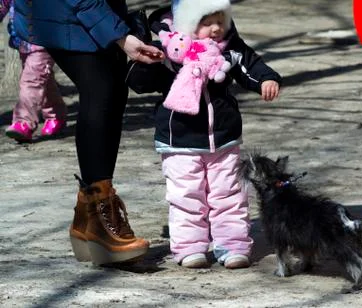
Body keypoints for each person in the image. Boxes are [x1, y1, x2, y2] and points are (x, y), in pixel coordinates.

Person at [12, 0, 165, 265]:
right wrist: (119, 36)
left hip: (94, 8)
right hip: (59, 12)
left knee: (115, 90)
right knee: (100, 88)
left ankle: (87, 219)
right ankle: (99, 217)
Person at [144, 0, 281, 269]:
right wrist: (148, 64)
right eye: (207, 23)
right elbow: (140, 82)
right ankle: (189, 247)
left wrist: (266, 78)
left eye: (220, 20)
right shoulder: (169, 52)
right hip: (179, 139)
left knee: (229, 192)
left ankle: (232, 245)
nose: (216, 28)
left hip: (223, 136)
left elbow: (250, 64)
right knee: (186, 195)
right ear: (188, 24)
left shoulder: (230, 49)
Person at [1, 0, 66, 142]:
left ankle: (24, 122)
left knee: (32, 81)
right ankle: (56, 115)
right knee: (43, 80)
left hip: (44, 38)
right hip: (23, 39)